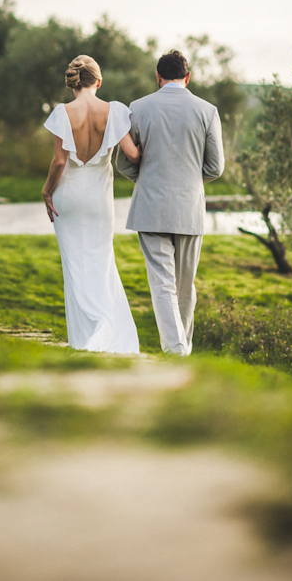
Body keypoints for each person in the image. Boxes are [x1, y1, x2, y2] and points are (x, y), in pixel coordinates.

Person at [116, 50, 225, 356]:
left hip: (150, 207)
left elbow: (124, 163)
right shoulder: (207, 110)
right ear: (187, 77)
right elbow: (216, 167)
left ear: (158, 75)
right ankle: (180, 349)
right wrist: (187, 183)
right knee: (184, 286)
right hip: (190, 209)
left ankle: (176, 350)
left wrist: (150, 180)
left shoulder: (138, 108)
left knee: (162, 284)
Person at [42, 55, 140, 354]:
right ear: (98, 81)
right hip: (99, 198)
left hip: (68, 196)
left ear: (73, 84)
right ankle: (105, 328)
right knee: (101, 262)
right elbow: (133, 154)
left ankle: (86, 338)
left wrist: (47, 191)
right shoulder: (115, 111)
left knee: (74, 267)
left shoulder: (62, 112)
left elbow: (60, 161)